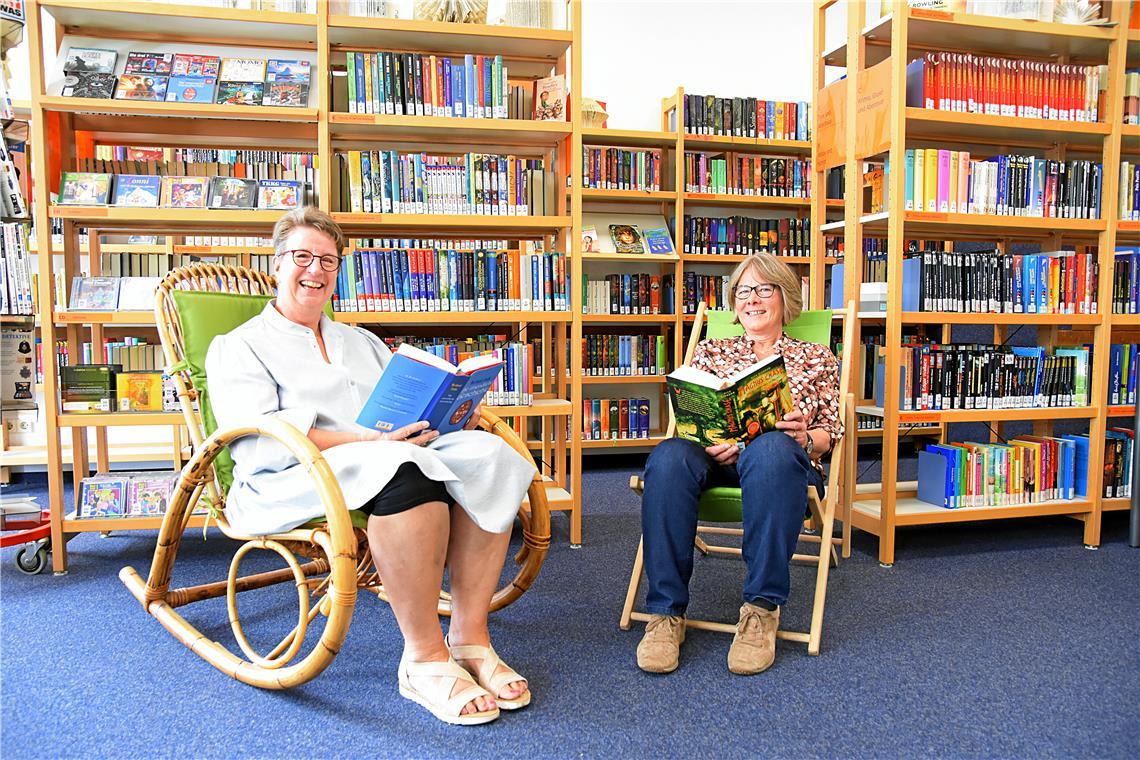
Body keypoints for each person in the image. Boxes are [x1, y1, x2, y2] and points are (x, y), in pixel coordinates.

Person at [205, 208, 536, 726]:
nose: (315, 270)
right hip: (296, 472)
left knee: (493, 458)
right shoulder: (239, 346)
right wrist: (367, 439)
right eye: (302, 257)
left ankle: (470, 638)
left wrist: (451, 412)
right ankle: (423, 659)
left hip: (385, 452)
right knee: (405, 468)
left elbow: (401, 410)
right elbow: (259, 437)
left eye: (328, 262)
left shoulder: (358, 340)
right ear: (275, 264)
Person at [636, 253, 843, 676]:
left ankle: (761, 610)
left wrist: (807, 438)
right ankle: (664, 614)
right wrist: (707, 441)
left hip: (778, 467)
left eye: (764, 289)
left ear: (785, 297)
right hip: (715, 462)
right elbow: (692, 416)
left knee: (771, 449)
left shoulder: (816, 357)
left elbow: (830, 432)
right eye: (744, 291)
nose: (753, 299)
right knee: (669, 457)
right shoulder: (712, 351)